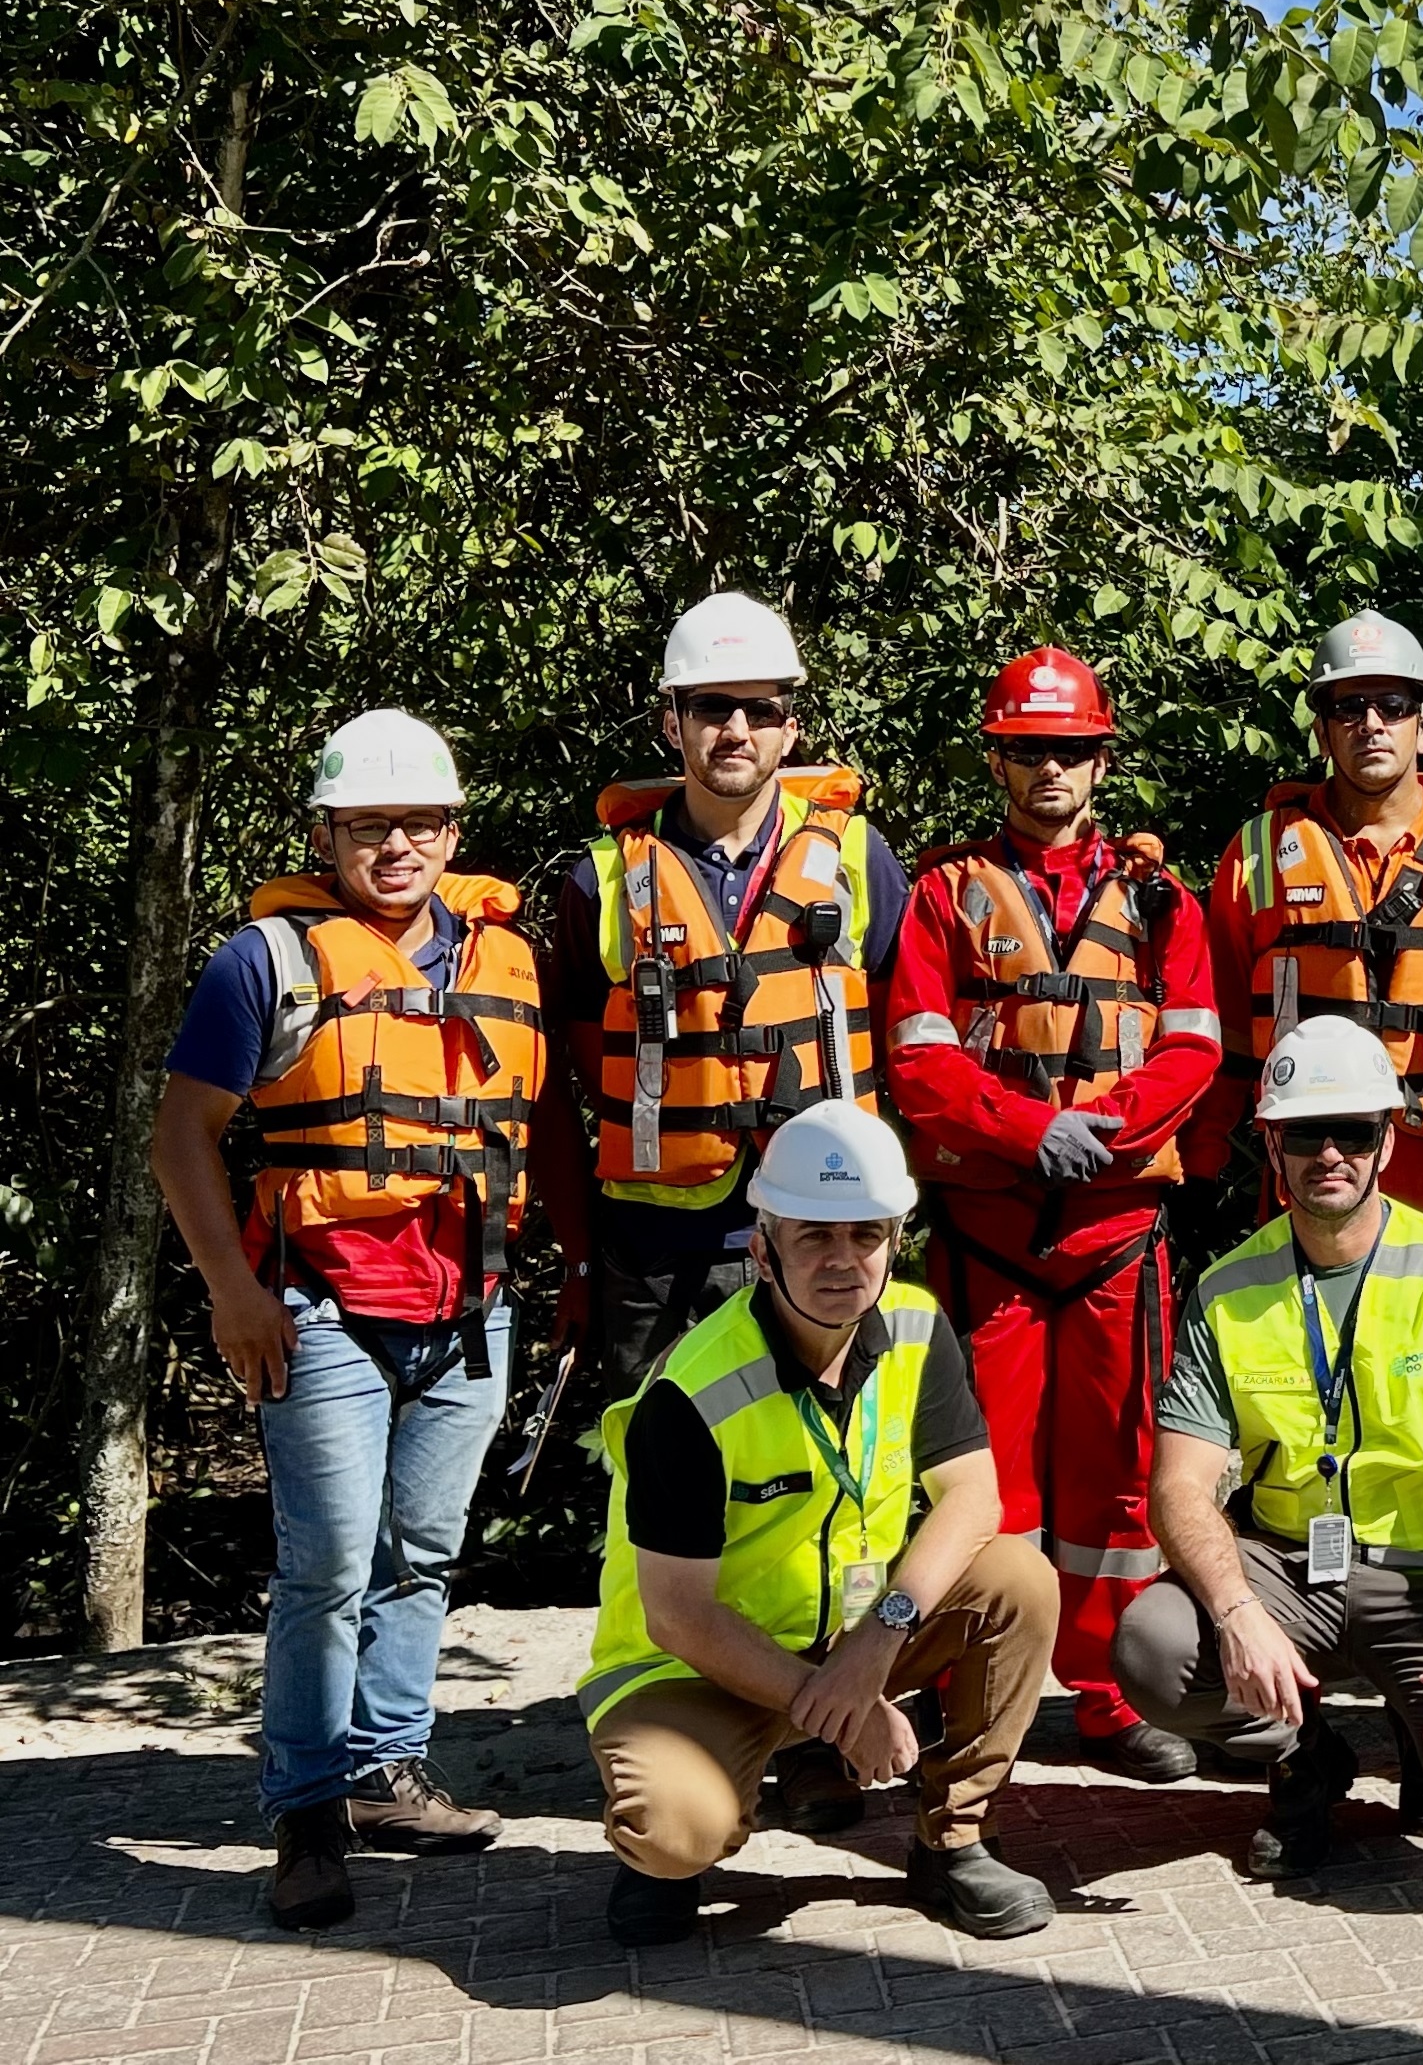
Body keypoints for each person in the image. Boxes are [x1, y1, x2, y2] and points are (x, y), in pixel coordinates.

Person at [151, 712, 536, 1930]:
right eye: (369, 825)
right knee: (324, 1569)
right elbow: (181, 1137)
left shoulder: (504, 955)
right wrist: (234, 1294)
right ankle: (306, 1812)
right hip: (317, 1311)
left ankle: (387, 1771)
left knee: (419, 1553)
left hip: (469, 1305)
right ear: (328, 834)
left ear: (452, 828)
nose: (397, 846)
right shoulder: (266, 959)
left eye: (418, 822)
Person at [581, 1098, 1060, 1946]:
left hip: (848, 1637)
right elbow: (679, 1614)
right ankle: (672, 1834)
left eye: (865, 1235)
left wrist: (873, 1649)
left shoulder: (914, 1323)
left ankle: (953, 1839)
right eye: (815, 1236)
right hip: (693, 1664)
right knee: (674, 1834)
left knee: (1020, 1580)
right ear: (763, 1251)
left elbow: (974, 1497)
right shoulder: (689, 1394)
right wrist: (831, 1700)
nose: (844, 1260)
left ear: (894, 1239)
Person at [1117, 1016, 1423, 1880]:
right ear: (1273, 1147)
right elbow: (1178, 1486)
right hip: (1291, 1570)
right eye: (1305, 1134)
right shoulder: (1227, 1287)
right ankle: (1304, 1758)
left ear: (1386, 1144)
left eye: (1353, 1131)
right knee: (1155, 1643)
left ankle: (1418, 1720)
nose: (1331, 1153)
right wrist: (1239, 1616)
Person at [886, 646, 1220, 1782]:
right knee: (981, 1477)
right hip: (990, 1234)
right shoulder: (943, 894)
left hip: (1118, 1234)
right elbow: (918, 1062)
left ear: (1099, 758)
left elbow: (1195, 1047)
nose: (1050, 770)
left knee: (1122, 1475)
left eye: (1069, 749)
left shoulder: (1163, 896)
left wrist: (1109, 1133)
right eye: (1028, 752)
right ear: (999, 759)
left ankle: (1113, 1696)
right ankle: (977, 1693)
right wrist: (1030, 1133)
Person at [541, 591, 909, 1398]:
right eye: (711, 707)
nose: (735, 730)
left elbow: (901, 1031)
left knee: (815, 1467)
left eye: (759, 709)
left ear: (791, 726)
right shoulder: (599, 881)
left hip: (821, 1229)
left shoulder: (857, 858)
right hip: (651, 1243)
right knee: (652, 1475)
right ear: (672, 721)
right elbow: (564, 1069)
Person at [1183, 608, 1423, 1246]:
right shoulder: (1257, 852)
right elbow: (1221, 1026)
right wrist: (1198, 1162)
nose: (1371, 725)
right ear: (1324, 731)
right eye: (1348, 708)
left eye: (1391, 705)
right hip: (1312, 1161)